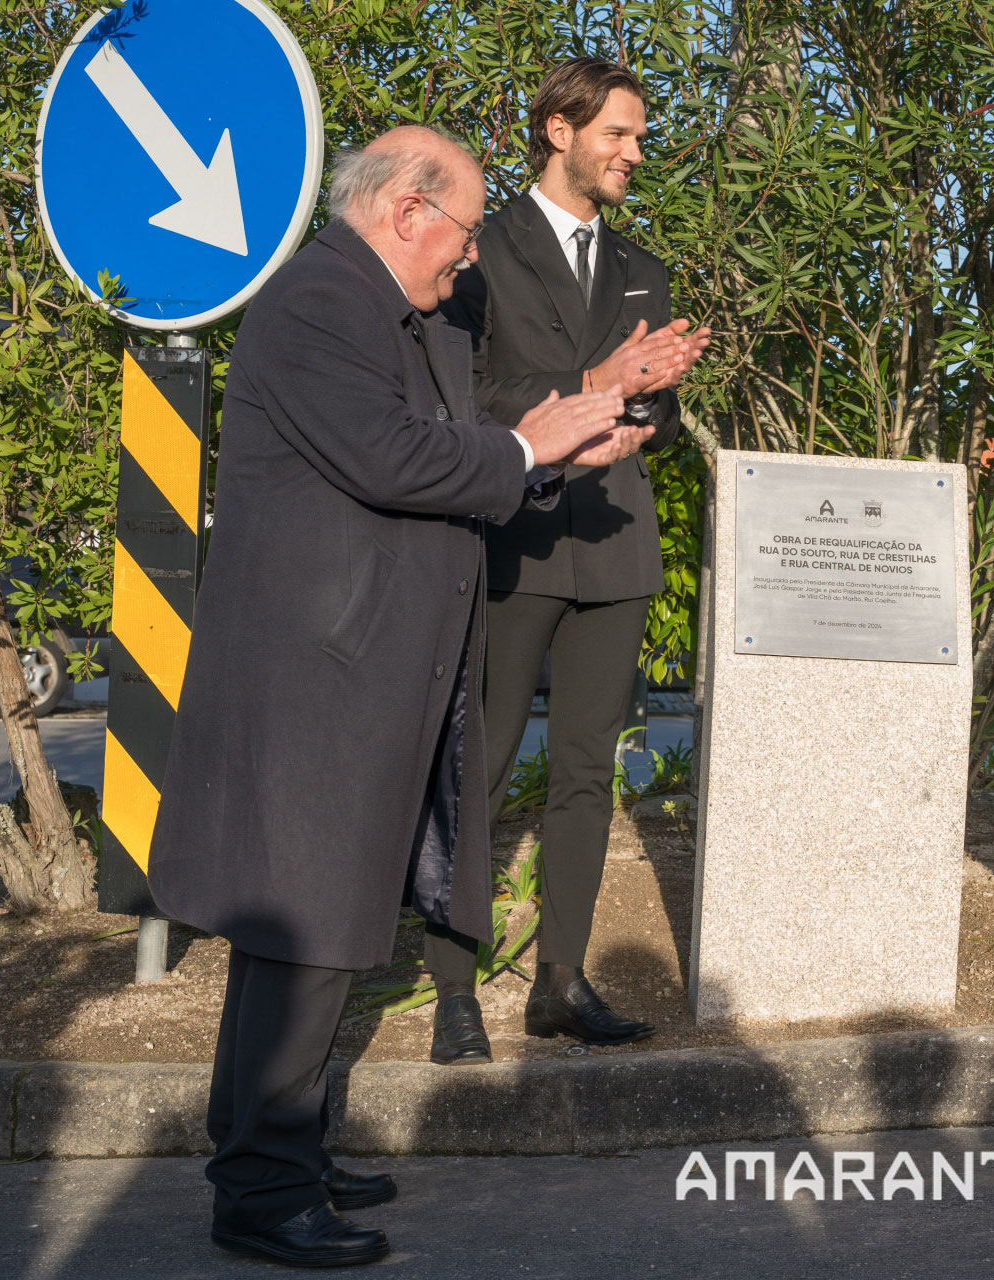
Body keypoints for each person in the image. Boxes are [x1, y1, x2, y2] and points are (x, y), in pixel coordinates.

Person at [147, 125, 648, 1268]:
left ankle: (278, 1147)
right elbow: (393, 458)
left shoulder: (389, 311)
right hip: (320, 675)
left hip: (358, 667)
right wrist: (531, 443)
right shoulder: (320, 300)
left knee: (312, 930)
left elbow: (450, 458)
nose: (468, 260)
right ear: (407, 211)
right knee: (308, 929)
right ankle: (264, 1190)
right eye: (467, 235)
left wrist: (557, 456)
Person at [428, 57, 711, 1061]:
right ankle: (454, 988)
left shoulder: (642, 264)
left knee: (589, 773)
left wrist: (648, 418)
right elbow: (469, 391)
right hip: (517, 533)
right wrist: (595, 381)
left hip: (616, 542)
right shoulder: (481, 251)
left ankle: (560, 980)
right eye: (619, 135)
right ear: (557, 129)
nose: (636, 152)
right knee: (484, 765)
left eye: (638, 136)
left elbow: (659, 406)